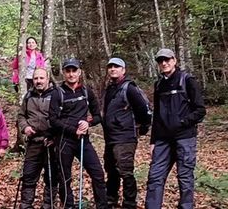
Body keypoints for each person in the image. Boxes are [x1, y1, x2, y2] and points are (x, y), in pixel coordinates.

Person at [145, 49, 206, 209]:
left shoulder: (187, 80)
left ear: (174, 60)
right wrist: (153, 141)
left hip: (185, 138)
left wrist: (182, 122)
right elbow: (156, 115)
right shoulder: (159, 85)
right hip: (162, 140)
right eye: (160, 61)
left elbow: (200, 110)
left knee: (185, 177)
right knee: (155, 176)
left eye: (167, 60)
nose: (164, 63)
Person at [49, 58, 107, 209]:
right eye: (68, 71)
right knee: (65, 177)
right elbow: (53, 120)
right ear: (64, 73)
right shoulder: (58, 93)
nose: (71, 74)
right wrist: (73, 129)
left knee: (98, 174)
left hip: (83, 140)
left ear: (79, 72)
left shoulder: (87, 92)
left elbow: (97, 116)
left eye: (74, 70)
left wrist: (89, 123)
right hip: (64, 141)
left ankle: (102, 205)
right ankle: (69, 205)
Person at [101, 58, 152, 209]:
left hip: (125, 137)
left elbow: (145, 110)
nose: (112, 69)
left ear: (123, 70)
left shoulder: (129, 88)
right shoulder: (110, 89)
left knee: (125, 170)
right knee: (111, 169)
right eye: (110, 67)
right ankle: (111, 199)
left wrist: (143, 127)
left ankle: (129, 202)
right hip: (110, 137)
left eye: (116, 67)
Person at [16, 67, 58, 209]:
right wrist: (25, 127)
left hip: (51, 142)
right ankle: (26, 204)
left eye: (41, 78)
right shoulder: (28, 96)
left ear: (47, 79)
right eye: (36, 78)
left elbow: (62, 117)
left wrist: (54, 136)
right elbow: (21, 116)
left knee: (52, 176)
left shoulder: (56, 94)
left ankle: (48, 204)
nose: (38, 81)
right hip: (33, 142)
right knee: (28, 175)